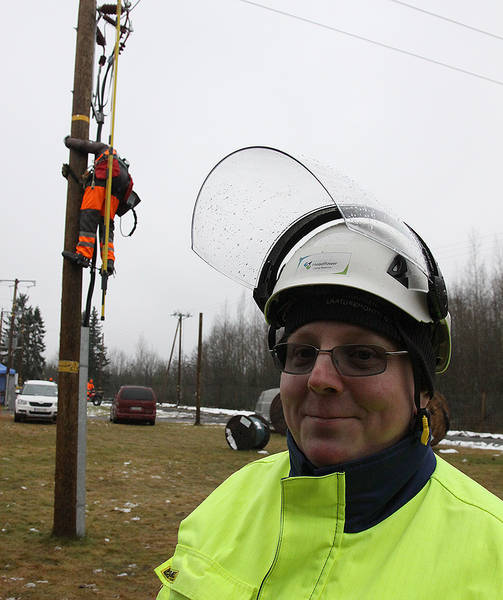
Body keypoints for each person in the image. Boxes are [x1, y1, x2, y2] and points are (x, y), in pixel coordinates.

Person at [154, 148, 503, 599]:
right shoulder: (227, 505)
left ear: (420, 388)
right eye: (300, 353)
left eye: (361, 355)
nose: (318, 378)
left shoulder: (491, 554)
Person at [62, 136, 140, 273]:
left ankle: (83, 255)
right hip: (116, 192)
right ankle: (108, 262)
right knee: (107, 226)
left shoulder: (105, 150)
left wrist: (68, 141)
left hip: (102, 182)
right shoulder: (122, 167)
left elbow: (84, 144)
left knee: (89, 216)